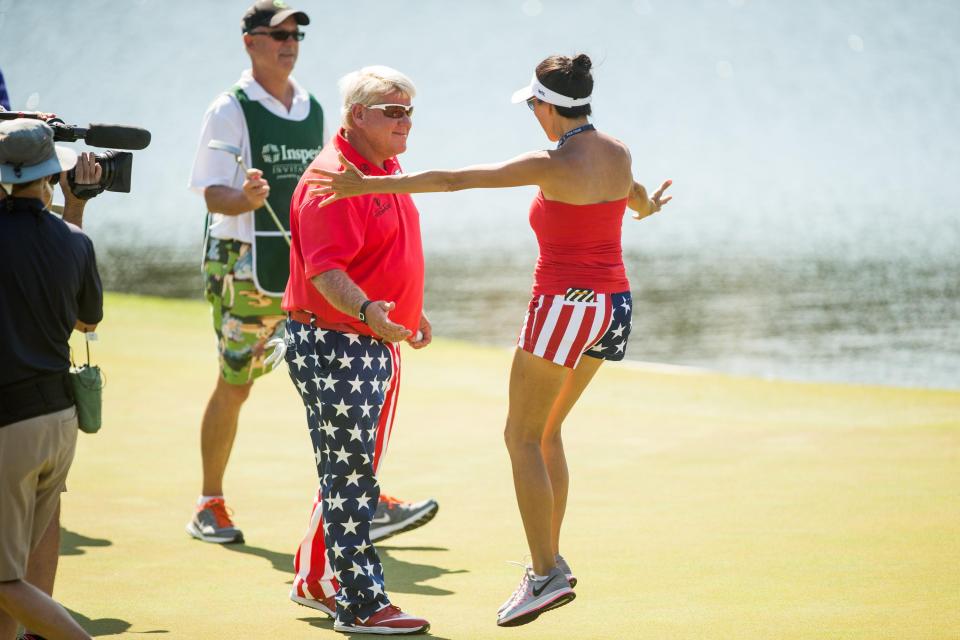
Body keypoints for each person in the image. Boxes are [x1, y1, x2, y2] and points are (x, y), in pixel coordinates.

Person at [307, 53, 673, 627]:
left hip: (566, 306)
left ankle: (545, 572)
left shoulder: (551, 162)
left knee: (520, 436)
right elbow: (633, 191)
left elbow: (453, 180)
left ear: (547, 107)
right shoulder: (617, 151)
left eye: (533, 105)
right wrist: (647, 207)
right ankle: (549, 564)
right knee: (548, 431)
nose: (532, 113)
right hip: (613, 308)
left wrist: (363, 186)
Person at [279, 65, 432, 634]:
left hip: (365, 338)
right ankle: (359, 603)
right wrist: (371, 311)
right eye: (393, 111)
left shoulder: (382, 168)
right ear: (357, 116)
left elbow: (383, 252)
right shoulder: (334, 178)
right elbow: (325, 272)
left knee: (349, 472)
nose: (405, 121)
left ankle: (316, 580)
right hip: (340, 342)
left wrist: (409, 310)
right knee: (351, 477)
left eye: (409, 110)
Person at [0, 119, 103, 640]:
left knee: (4, 580)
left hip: (8, 426)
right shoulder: (75, 239)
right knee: (12, 577)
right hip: (59, 424)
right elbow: (86, 322)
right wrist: (77, 204)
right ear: (50, 177)